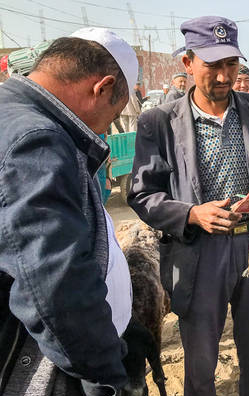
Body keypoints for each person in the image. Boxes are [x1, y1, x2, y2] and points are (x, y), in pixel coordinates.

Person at [127, 16, 249, 396]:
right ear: (188, 63)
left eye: (230, 64)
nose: (223, 76)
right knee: (200, 368)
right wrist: (192, 213)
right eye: (212, 65)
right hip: (196, 255)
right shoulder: (159, 121)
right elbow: (142, 194)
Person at [0, 27, 137, 396]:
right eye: (113, 115)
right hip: (45, 364)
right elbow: (53, 285)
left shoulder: (13, 115)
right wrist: (105, 374)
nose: (106, 129)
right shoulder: (35, 140)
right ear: (103, 89)